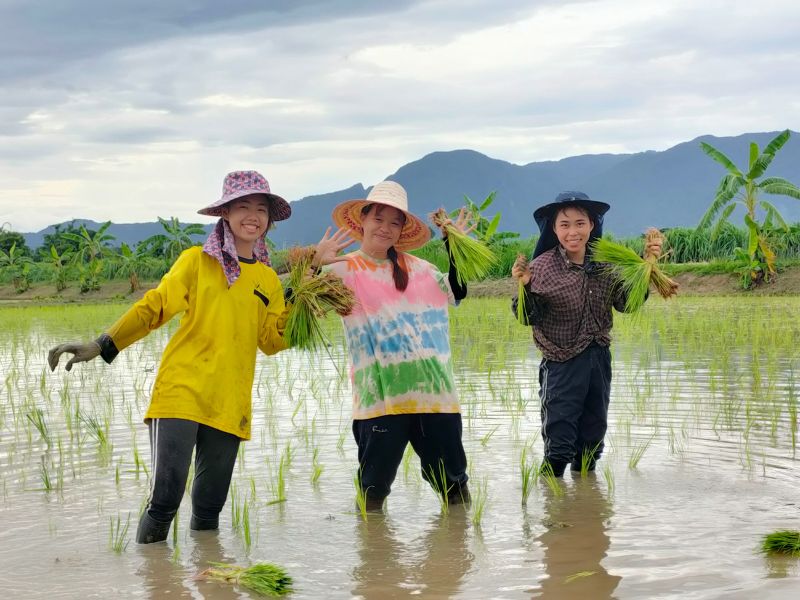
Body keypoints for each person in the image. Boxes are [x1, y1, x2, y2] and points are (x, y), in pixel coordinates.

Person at [47, 170, 292, 543]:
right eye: (243, 206)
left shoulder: (269, 281)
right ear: (225, 213)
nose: (253, 215)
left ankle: (207, 579)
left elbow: (271, 343)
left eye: (261, 208)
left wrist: (301, 306)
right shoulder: (196, 262)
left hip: (229, 401)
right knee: (165, 500)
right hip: (181, 392)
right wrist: (102, 343)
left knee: (210, 507)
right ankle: (152, 580)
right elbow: (155, 306)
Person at [312, 180, 471, 511]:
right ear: (363, 221)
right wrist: (314, 264)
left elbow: (457, 290)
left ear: (402, 230)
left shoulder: (423, 269)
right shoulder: (343, 269)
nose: (385, 228)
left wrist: (456, 247)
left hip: (435, 399)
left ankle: (458, 558)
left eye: (394, 222)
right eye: (378, 219)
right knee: (372, 495)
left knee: (454, 490)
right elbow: (301, 303)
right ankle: (374, 559)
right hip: (380, 403)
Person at [511, 191, 662, 477]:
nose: (573, 232)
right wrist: (526, 286)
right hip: (561, 364)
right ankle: (553, 508)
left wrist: (646, 267)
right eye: (564, 225)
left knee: (592, 444)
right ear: (554, 229)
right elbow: (525, 316)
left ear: (592, 225)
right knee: (559, 447)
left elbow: (626, 304)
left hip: (598, 361)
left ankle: (585, 508)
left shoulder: (607, 263)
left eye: (580, 223)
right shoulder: (540, 268)